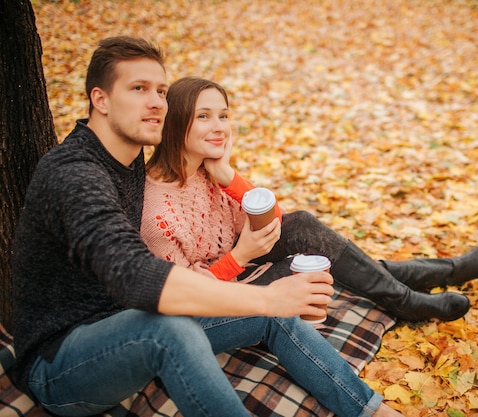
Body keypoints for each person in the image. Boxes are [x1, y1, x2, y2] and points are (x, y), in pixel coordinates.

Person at [11, 36, 403, 417]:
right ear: (101, 99)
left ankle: (371, 408)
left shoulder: (128, 157)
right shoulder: (75, 175)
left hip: (132, 323)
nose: (155, 103)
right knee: (174, 330)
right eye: (138, 88)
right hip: (61, 365)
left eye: (161, 91)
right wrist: (266, 298)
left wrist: (270, 299)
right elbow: (135, 276)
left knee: (270, 308)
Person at [141, 76, 478, 323]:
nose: (219, 126)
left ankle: (425, 284)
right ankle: (425, 284)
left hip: (241, 266)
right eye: (203, 116)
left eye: (223, 115)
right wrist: (241, 257)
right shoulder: (157, 212)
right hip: (220, 298)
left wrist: (228, 176)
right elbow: (184, 296)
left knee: (303, 227)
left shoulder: (207, 169)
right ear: (174, 123)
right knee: (314, 261)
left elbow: (278, 223)